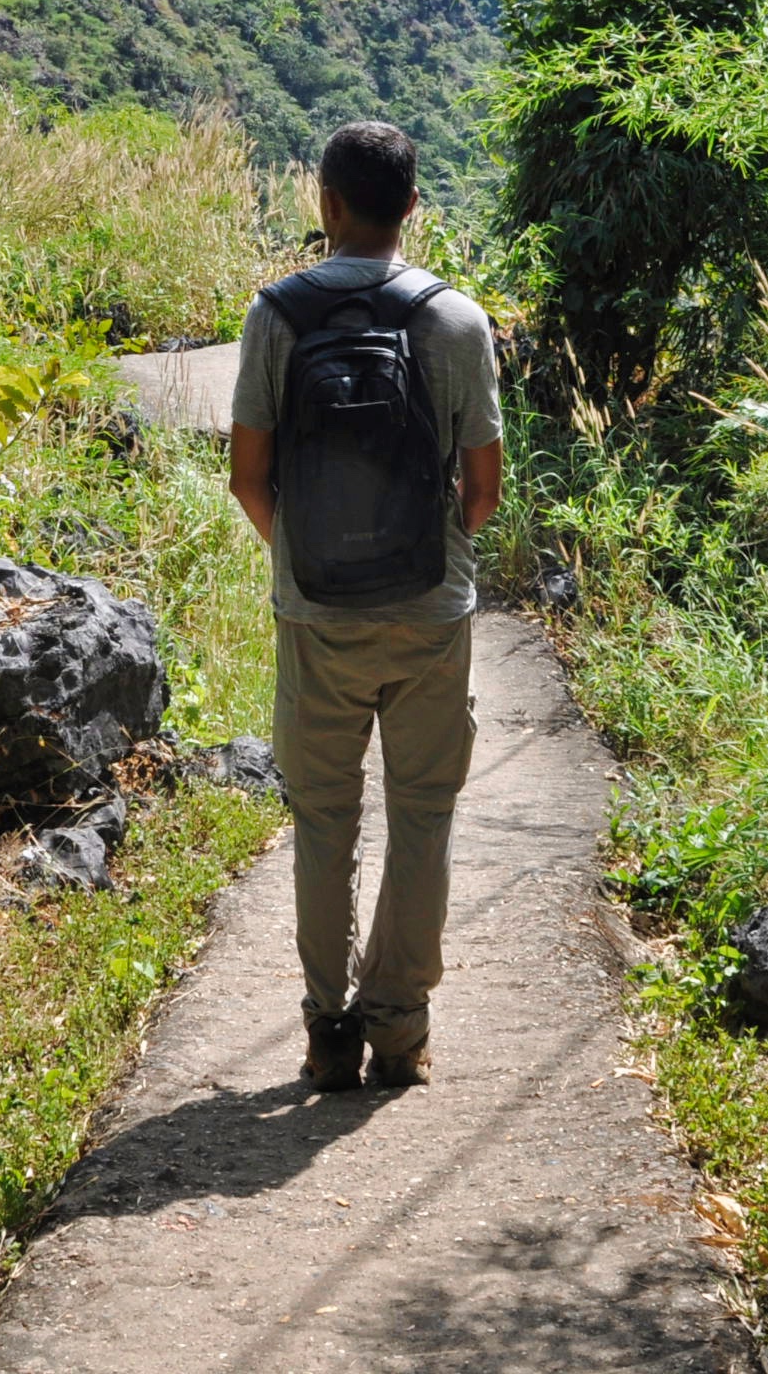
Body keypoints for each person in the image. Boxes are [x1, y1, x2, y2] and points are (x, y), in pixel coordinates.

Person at [228, 120, 503, 1091]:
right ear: (413, 209)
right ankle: (399, 1032)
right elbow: (482, 488)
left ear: (327, 205)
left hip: (315, 622)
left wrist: (303, 564)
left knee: (325, 822)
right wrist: (440, 554)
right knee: (422, 816)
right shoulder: (459, 323)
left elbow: (249, 479)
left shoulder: (275, 318)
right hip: (432, 616)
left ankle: (326, 1029)